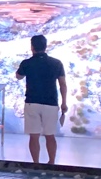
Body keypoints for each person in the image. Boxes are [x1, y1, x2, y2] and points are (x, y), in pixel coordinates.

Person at [16, 34, 68, 165]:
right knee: (50, 135)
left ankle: (36, 163)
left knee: (34, 136)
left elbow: (18, 76)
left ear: (32, 47)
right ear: (45, 46)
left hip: (32, 102)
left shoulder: (27, 63)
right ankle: (51, 163)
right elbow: (62, 84)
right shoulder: (56, 63)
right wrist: (64, 102)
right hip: (51, 103)